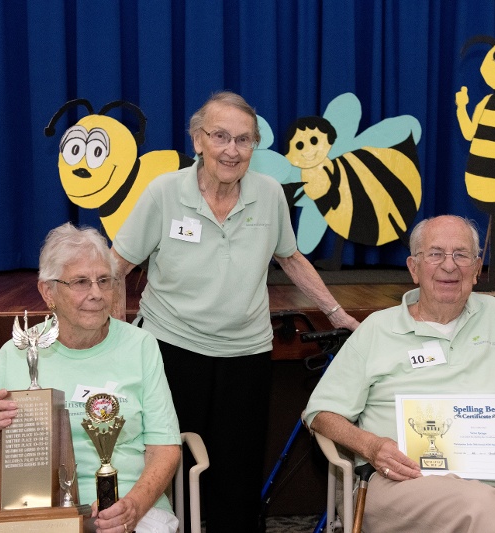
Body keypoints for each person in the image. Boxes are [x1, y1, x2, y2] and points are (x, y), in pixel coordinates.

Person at [110, 91, 359, 533]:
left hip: (245, 355)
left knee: (238, 476)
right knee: (164, 467)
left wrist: (336, 313)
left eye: (244, 140)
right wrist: (116, 336)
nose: (231, 149)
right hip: (171, 349)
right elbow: (118, 264)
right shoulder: (165, 192)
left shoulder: (267, 194)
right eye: (220, 136)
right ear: (197, 139)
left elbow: (292, 257)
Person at [303, 215, 495, 532]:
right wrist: (370, 447)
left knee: (485, 505)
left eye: (461, 255)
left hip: (491, 484)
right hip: (400, 483)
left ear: (477, 269)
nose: (449, 266)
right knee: (484, 511)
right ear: (413, 267)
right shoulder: (378, 329)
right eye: (435, 254)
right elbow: (321, 413)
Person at [0, 223, 182, 533]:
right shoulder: (16, 353)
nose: (96, 294)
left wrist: (133, 506)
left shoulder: (140, 346)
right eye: (81, 282)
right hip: (40, 513)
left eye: (104, 281)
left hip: (131, 505)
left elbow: (165, 448)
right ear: (48, 291)